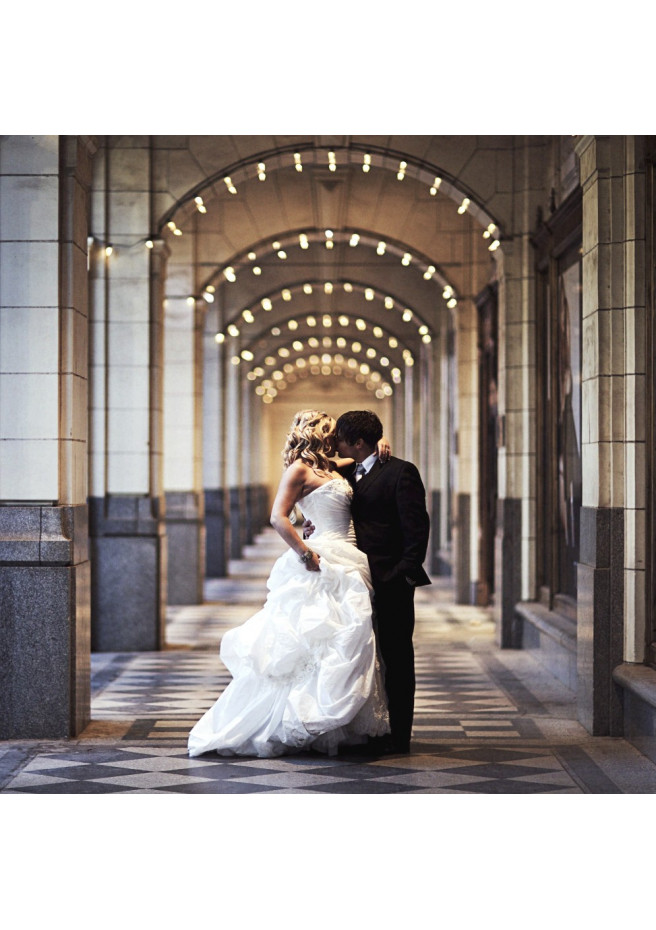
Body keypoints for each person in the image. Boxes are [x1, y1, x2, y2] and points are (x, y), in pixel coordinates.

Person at [187, 410, 391, 759]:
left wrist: (380, 447)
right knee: (312, 639)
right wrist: (304, 551)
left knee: (345, 639)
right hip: (320, 558)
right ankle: (294, 717)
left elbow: (359, 456)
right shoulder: (298, 469)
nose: (335, 436)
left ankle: (334, 721)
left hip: (349, 555)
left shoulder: (331, 466)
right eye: (330, 430)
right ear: (315, 433)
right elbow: (277, 516)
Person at [306, 410, 431, 755]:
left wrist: (403, 573)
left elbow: (417, 527)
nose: (333, 445)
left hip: (390, 580)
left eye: (340, 440)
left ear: (357, 443)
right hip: (352, 581)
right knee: (363, 655)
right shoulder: (348, 470)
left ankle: (400, 736)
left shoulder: (401, 472)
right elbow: (326, 491)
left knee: (397, 656)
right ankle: (371, 726)